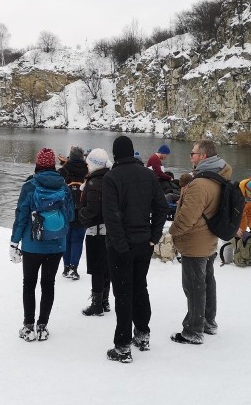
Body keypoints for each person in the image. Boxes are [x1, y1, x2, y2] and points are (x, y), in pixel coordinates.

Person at [102, 135, 169, 363]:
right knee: (140, 286)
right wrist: (153, 236)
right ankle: (142, 334)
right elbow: (161, 208)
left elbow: (111, 216)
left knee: (122, 293)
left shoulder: (111, 178)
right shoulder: (148, 175)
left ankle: (122, 346)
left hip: (123, 246)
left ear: (115, 154)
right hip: (143, 244)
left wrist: (120, 245)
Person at [168, 140, 232, 344]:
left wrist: (173, 231)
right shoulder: (219, 177)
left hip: (195, 242)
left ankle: (193, 331)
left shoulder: (200, 184)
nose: (191, 156)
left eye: (193, 153)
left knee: (194, 286)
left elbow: (187, 218)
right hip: (209, 240)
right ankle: (208, 322)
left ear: (203, 156)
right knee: (206, 282)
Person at [9, 148, 75, 342]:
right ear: (53, 164)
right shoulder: (64, 186)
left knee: (29, 284)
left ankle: (28, 327)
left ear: (37, 164)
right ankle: (43, 327)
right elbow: (70, 216)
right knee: (48, 284)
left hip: (32, 245)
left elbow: (21, 217)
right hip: (56, 245)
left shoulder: (30, 186)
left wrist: (14, 242)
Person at [77, 148, 112, 316]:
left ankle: (97, 304)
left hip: (96, 232)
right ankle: (104, 301)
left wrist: (81, 216)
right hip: (109, 231)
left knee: (97, 269)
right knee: (106, 268)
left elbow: (92, 209)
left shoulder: (94, 183)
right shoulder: (110, 179)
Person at [58, 146, 88, 280]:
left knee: (67, 239)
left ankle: (65, 267)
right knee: (77, 241)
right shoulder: (88, 170)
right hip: (82, 210)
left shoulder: (64, 170)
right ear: (82, 157)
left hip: (66, 209)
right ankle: (74, 268)